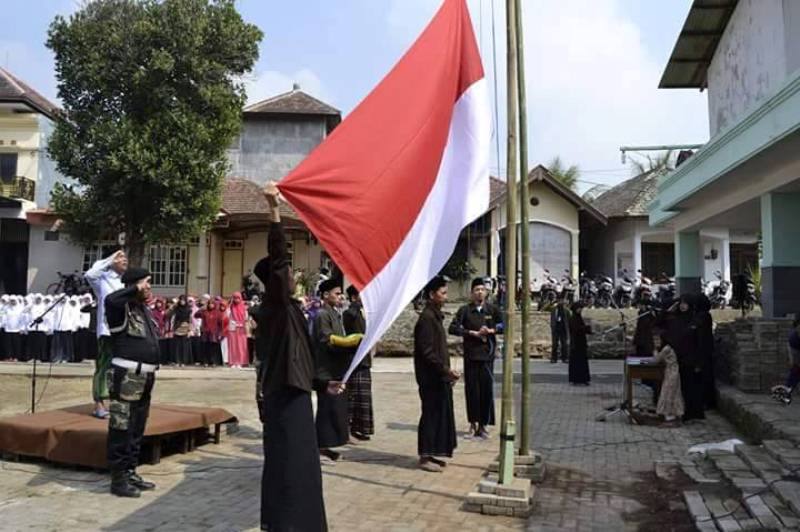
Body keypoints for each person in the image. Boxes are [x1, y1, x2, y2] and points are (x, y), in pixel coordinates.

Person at [254, 182, 343, 532]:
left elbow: (301, 354)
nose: (293, 277)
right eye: (288, 274)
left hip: (298, 390)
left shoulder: (290, 310)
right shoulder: (275, 306)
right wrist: (274, 210)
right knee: (289, 462)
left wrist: (323, 382)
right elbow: (278, 258)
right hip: (285, 393)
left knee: (302, 463)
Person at [104, 268, 159, 498]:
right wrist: (134, 287)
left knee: (137, 427)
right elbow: (110, 299)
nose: (149, 287)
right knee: (121, 427)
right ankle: (118, 480)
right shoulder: (120, 308)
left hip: (145, 376)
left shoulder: (141, 309)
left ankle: (130, 471)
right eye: (146, 283)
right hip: (127, 375)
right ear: (135, 285)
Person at [415, 275, 460, 473]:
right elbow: (427, 352)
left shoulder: (435, 316)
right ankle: (425, 455)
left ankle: (434, 451)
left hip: (439, 376)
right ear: (432, 295)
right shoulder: (426, 318)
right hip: (430, 378)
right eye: (442, 293)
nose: (445, 296)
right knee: (430, 415)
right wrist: (445, 369)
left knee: (440, 415)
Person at [448, 277, 502, 439]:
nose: (479, 292)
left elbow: (503, 325)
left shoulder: (492, 310)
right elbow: (453, 327)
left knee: (486, 390)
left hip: (487, 356)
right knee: (472, 390)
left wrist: (490, 331)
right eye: (476, 290)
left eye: (482, 290)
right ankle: (473, 423)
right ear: (471, 293)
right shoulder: (465, 310)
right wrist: (470, 333)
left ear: (486, 292)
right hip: (471, 355)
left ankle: (484, 425)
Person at [314, 278, 356, 462]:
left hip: (336, 367)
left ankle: (327, 444)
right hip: (326, 370)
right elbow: (327, 340)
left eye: (341, 294)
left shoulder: (335, 313)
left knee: (335, 409)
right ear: (325, 295)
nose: (340, 297)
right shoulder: (323, 314)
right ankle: (320, 446)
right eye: (337, 293)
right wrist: (349, 343)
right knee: (327, 410)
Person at [85, 250, 128, 418]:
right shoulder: (102, 280)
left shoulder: (125, 281)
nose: (124, 260)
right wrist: (109, 260)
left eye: (125, 257)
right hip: (107, 331)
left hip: (124, 330)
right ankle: (99, 405)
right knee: (104, 367)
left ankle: (117, 402)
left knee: (122, 367)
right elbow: (90, 274)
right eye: (120, 257)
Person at [343, 285, 374, 441]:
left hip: (364, 361)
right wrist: (355, 303)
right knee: (353, 398)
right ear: (354, 297)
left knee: (364, 398)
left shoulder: (361, 314)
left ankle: (359, 428)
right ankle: (347, 430)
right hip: (354, 360)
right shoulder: (349, 313)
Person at [667, 294, 705, 422]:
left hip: (692, 359)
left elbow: (699, 342)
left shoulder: (695, 320)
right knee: (680, 387)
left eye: (685, 303)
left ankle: (693, 413)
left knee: (692, 387)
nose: (683, 306)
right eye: (681, 303)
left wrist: (699, 361)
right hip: (679, 358)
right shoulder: (676, 319)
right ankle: (682, 412)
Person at [648, 334, 684, 423]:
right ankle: (671, 413)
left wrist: (655, 349)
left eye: (658, 340)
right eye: (655, 340)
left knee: (669, 392)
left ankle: (670, 414)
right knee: (670, 392)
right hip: (670, 371)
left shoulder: (666, 349)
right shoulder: (666, 348)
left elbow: (656, 360)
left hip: (672, 373)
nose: (656, 342)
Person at [771, 317, 800, 405]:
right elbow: (792, 352)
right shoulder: (793, 338)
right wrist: (792, 359)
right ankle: (784, 394)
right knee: (795, 371)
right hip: (796, 352)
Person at [694, 294, 716, 409]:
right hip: (706, 350)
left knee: (703, 377)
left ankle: (706, 401)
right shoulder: (705, 315)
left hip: (702, 350)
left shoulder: (702, 316)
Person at [568, 301, 592, 385]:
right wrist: (585, 328)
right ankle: (576, 379)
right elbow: (576, 329)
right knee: (576, 362)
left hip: (581, 343)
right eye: (579, 308)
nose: (580, 310)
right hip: (576, 343)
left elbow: (582, 328)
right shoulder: (572, 318)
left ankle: (584, 379)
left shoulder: (579, 318)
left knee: (582, 362)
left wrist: (587, 329)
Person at [227, 292, 249, 368]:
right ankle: (233, 361)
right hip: (233, 328)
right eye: (235, 298)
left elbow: (246, 317)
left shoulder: (244, 307)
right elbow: (227, 315)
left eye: (238, 298)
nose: (236, 300)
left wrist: (241, 322)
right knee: (233, 345)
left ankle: (241, 361)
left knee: (241, 345)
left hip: (241, 328)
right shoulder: (230, 307)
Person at [169, 295, 192, 367]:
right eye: (181, 300)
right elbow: (170, 316)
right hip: (177, 328)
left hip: (185, 328)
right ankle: (177, 361)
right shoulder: (176, 309)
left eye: (183, 300)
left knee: (184, 346)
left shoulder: (188, 310)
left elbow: (190, 320)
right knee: (177, 346)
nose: (182, 302)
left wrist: (190, 330)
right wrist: (172, 306)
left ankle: (183, 362)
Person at [550, 296, 571, 363]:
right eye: (559, 301)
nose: (560, 302)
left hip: (563, 329)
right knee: (555, 344)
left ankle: (565, 358)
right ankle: (554, 358)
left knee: (564, 344)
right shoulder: (554, 309)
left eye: (562, 301)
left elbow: (569, 319)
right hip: (556, 329)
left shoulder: (566, 310)